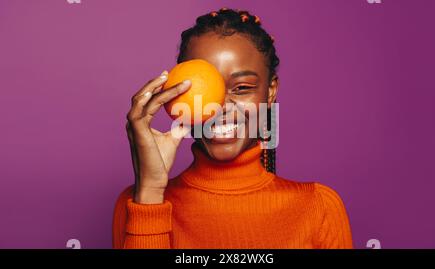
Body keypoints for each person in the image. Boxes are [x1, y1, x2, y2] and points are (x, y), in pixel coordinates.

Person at [113, 8, 353, 249]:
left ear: (270, 92)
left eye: (242, 88)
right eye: (204, 89)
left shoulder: (318, 208)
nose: (221, 107)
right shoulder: (137, 203)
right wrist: (151, 193)